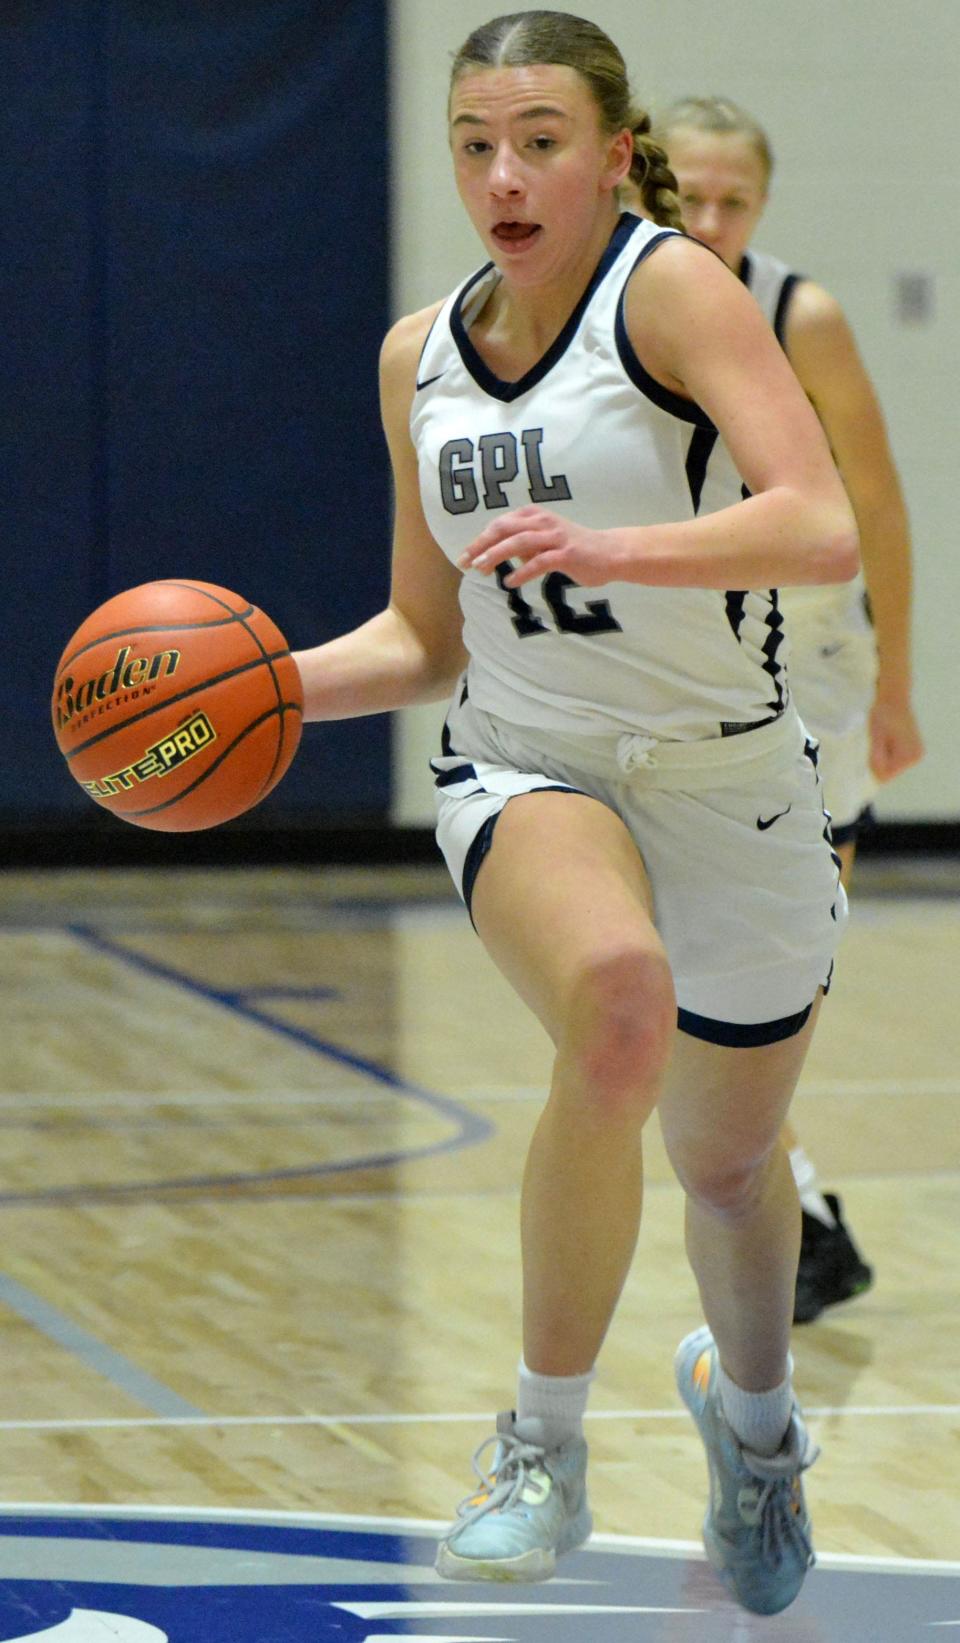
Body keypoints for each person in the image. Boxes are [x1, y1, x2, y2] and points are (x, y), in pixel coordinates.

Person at [293, 11, 859, 1616]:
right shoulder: (419, 356)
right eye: (475, 141)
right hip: (532, 760)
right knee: (615, 1006)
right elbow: (423, 637)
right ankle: (539, 1443)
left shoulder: (673, 288)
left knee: (733, 1170)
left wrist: (623, 550)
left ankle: (756, 1438)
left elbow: (816, 524)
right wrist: (251, 694)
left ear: (615, 152)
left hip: (732, 773)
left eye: (539, 138)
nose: (502, 173)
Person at [651, 96, 924, 1325]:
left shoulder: (797, 311)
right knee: (679, 964)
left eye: (735, 201)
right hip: (689, 664)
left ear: (761, 204)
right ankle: (800, 1208)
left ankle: (795, 1207)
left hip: (808, 662)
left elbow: (878, 504)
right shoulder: (628, 299)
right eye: (690, 196)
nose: (710, 220)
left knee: (773, 964)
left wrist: (899, 683)